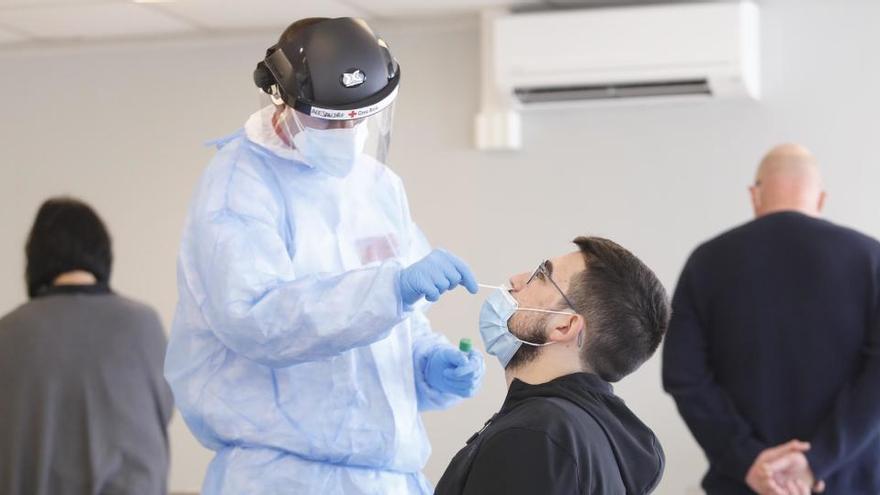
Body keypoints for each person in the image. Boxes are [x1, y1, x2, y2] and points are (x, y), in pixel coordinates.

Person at [164, 17, 485, 495]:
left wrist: (426, 365)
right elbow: (258, 320)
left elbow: (392, 327)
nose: (349, 127)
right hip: (281, 476)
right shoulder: (239, 185)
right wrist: (390, 288)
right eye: (333, 116)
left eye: (361, 115)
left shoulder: (377, 187)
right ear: (281, 97)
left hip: (386, 476)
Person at [663, 144, 880, 494]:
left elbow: (683, 377)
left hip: (744, 484)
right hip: (849, 483)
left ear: (754, 195)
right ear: (821, 199)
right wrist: (817, 460)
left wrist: (748, 460)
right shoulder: (871, 258)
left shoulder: (707, 262)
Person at [435, 236, 670, 495]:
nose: (516, 279)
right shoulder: (596, 440)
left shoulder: (534, 437)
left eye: (541, 276)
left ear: (564, 326)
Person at [0, 197, 173, 495]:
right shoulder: (143, 326)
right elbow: (165, 410)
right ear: (102, 254)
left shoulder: (7, 333)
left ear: (35, 259)